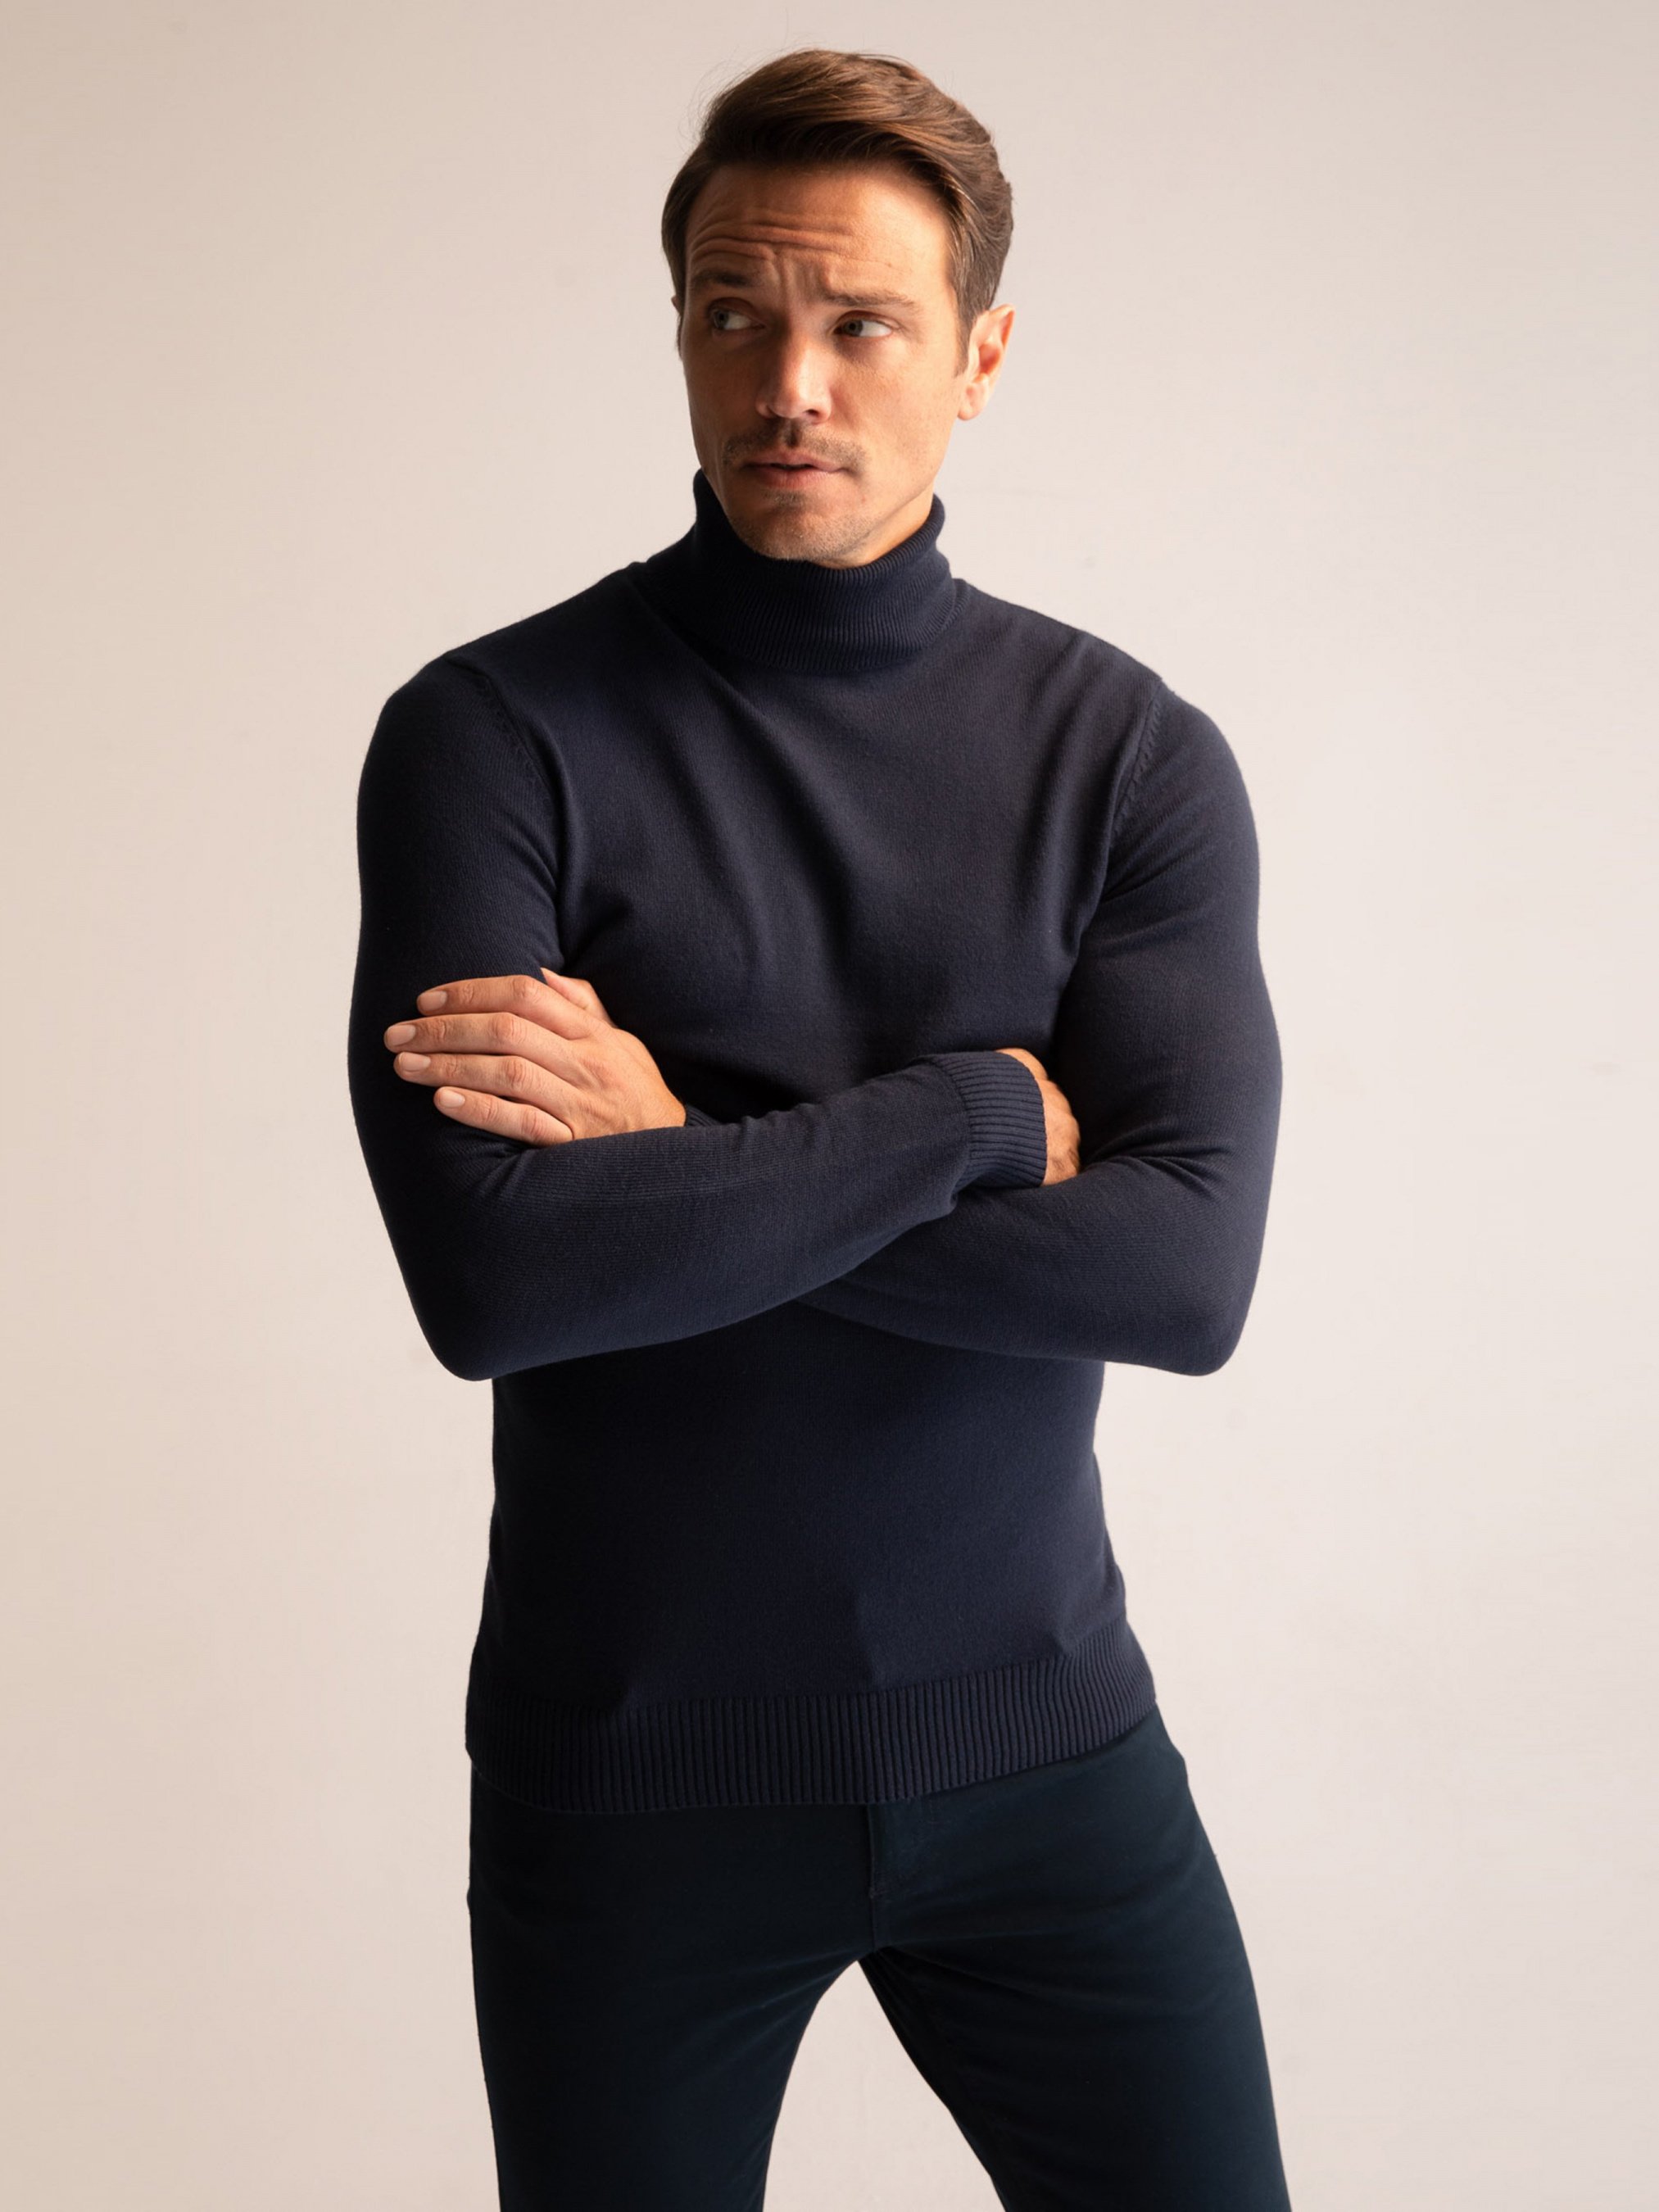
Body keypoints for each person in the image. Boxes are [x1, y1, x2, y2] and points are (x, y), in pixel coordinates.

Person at [346, 43, 1292, 2212]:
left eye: (862, 321)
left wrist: (672, 1139)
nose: (791, 382)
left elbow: (1180, 1277)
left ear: (979, 355)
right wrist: (972, 1111)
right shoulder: (493, 736)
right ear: (678, 330)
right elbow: (498, 1278)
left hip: (1049, 1748)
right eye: (733, 314)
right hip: (631, 1778)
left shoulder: (1127, 757)